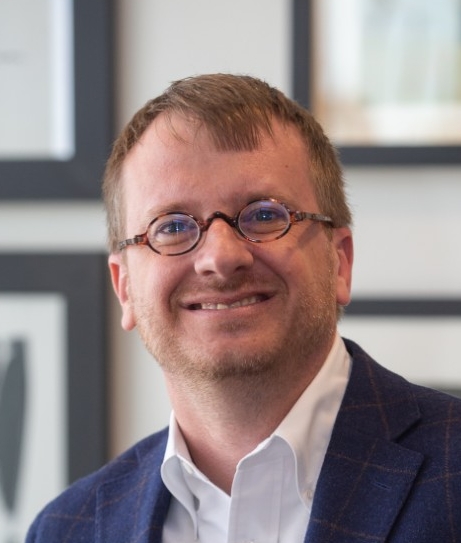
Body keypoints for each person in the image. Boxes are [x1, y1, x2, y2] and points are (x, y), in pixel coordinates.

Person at [26, 74, 461, 542]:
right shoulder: (64, 530)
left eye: (265, 215)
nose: (220, 258)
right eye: (172, 227)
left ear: (340, 262)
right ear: (125, 287)